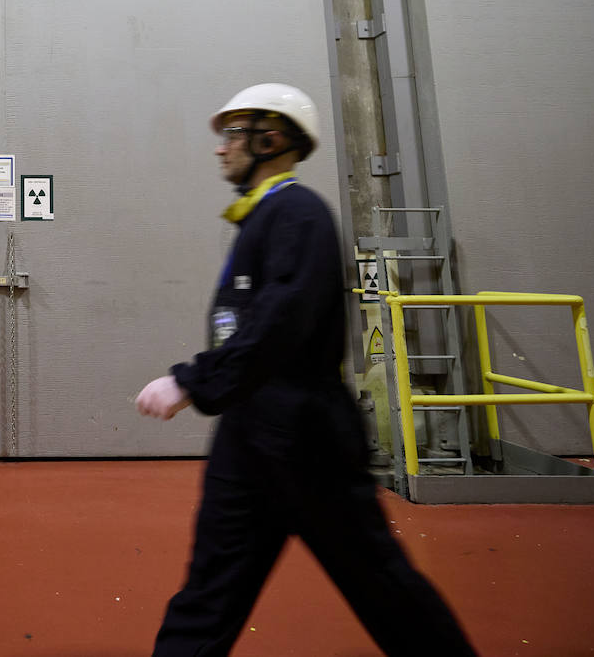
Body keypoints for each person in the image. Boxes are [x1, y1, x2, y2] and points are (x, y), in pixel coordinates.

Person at [134, 83, 476, 656]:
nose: (221, 149)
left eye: (233, 135)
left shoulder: (299, 215)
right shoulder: (261, 218)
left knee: (381, 584)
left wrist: (191, 381)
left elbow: (276, 324)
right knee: (209, 593)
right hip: (250, 437)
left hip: (305, 439)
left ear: (271, 139)